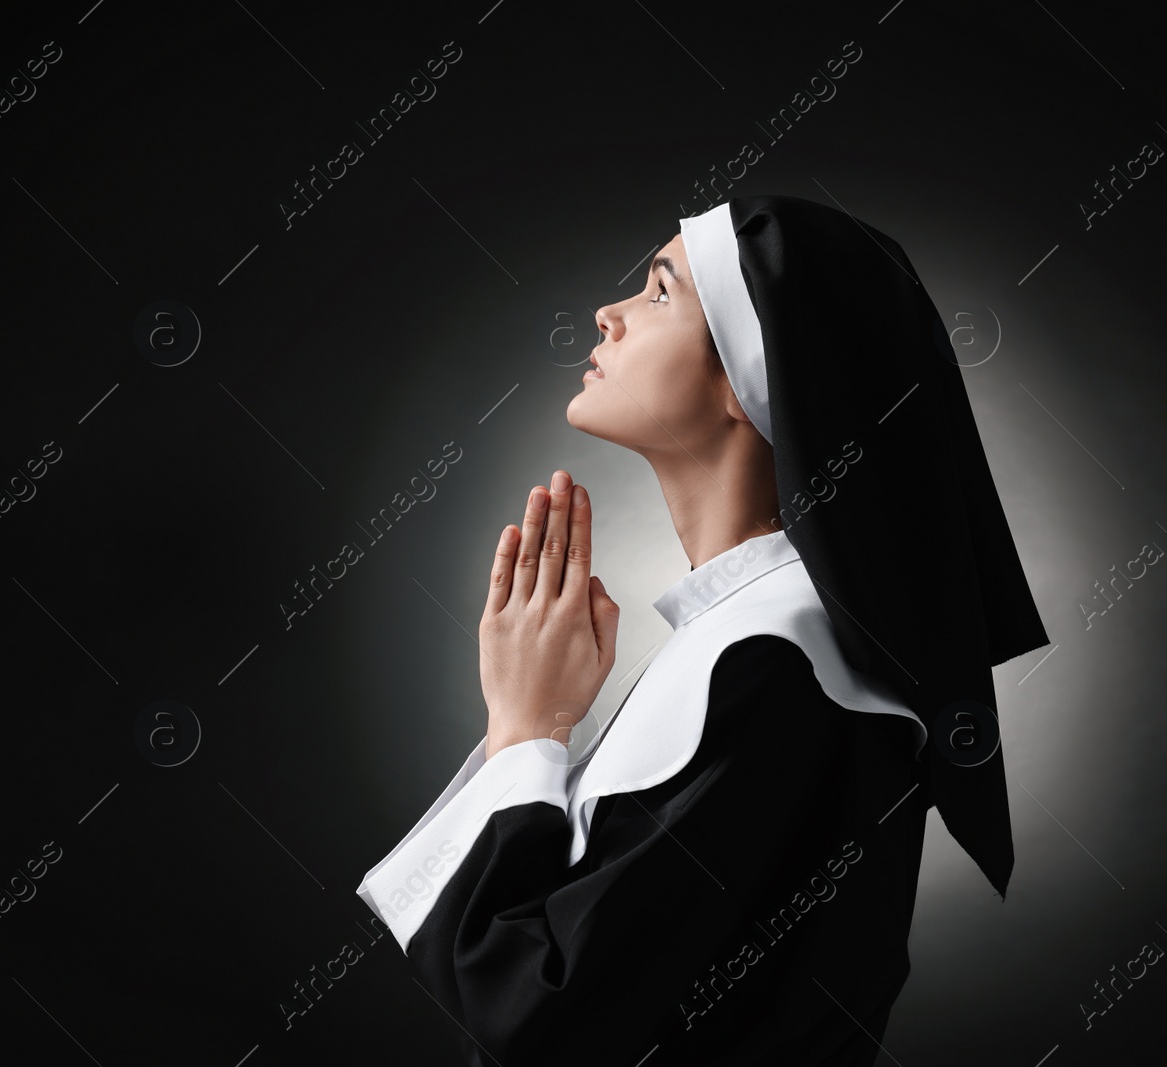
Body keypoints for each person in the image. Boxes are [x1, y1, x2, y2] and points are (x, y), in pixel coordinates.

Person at [355, 194, 1049, 1065]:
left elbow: (542, 1016)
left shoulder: (780, 662)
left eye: (658, 291)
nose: (607, 314)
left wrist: (525, 731)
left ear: (751, 377)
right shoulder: (756, 637)